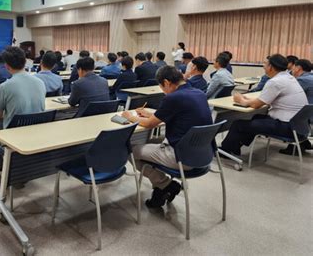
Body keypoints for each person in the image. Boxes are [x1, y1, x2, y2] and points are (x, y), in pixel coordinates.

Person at [121, 66, 212, 208]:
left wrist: (130, 116)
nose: (163, 91)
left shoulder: (174, 97)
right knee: (150, 144)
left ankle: (165, 184)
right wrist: (152, 114)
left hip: (182, 157)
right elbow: (178, 115)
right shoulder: (198, 93)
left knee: (129, 151)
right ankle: (161, 189)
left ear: (167, 82)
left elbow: (149, 125)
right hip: (204, 155)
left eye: (162, 87)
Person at [220, 54, 308, 157]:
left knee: (238, 123)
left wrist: (241, 100)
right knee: (256, 117)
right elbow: (264, 100)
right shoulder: (289, 78)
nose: (263, 66)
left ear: (271, 67)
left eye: (265, 64)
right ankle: (236, 146)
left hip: (287, 127)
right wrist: (248, 99)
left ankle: (226, 151)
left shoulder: (275, 82)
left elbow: (256, 105)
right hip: (298, 127)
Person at [0, 47, 46, 128]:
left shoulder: (4, 86)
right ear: (25, 62)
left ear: (6, 66)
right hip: (37, 132)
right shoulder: (40, 83)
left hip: (12, 136)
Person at [280, 58, 313, 154]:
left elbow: (286, 93)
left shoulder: (302, 80)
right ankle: (304, 142)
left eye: (293, 68)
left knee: (280, 111)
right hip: (309, 110)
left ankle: (295, 145)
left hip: (305, 113)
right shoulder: (311, 77)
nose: (291, 70)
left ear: (298, 68)